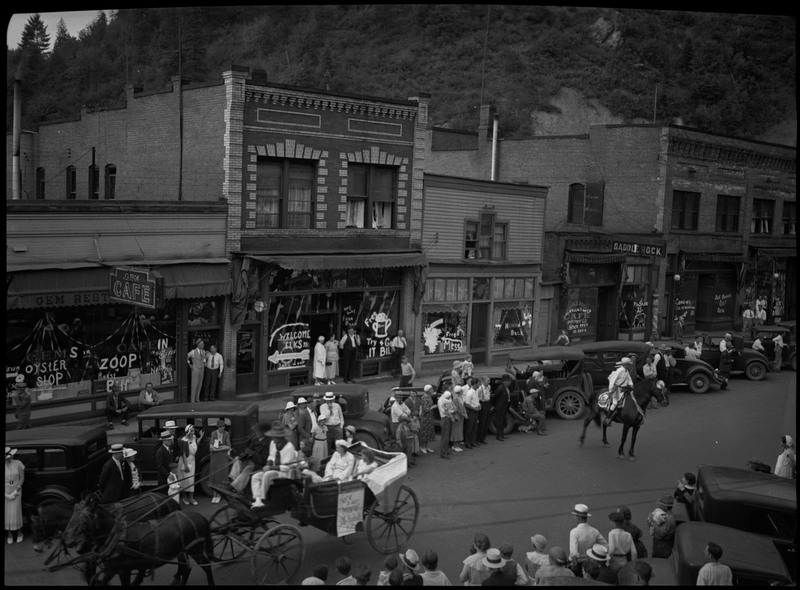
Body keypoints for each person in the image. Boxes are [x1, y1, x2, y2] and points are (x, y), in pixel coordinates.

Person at [251, 421, 298, 508]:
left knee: (267, 475)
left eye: (274, 437)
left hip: (285, 474)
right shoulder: (273, 444)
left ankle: (263, 499)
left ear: (280, 437)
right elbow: (271, 456)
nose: (272, 439)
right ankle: (257, 500)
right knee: (256, 476)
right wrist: (268, 464)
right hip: (273, 470)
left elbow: (286, 468)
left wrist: (270, 467)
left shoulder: (289, 447)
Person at [231, 421, 272, 492]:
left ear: (264, 432)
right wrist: (241, 456)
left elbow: (263, 460)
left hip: (261, 465)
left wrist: (253, 453)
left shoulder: (268, 443)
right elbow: (248, 450)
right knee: (238, 461)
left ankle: (236, 488)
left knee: (248, 468)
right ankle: (233, 481)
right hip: (251, 461)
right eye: (256, 431)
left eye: (258, 431)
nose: (256, 433)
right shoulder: (255, 440)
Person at [568, 503, 607, 577]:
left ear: (578, 517)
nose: (574, 518)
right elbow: (605, 545)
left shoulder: (574, 532)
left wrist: (574, 566)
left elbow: (573, 553)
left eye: (575, 516)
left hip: (577, 565)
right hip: (590, 564)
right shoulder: (594, 531)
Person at [604, 357, 634, 426]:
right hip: (616, 389)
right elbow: (612, 380)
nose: (630, 366)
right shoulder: (619, 370)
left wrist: (631, 385)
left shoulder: (626, 371)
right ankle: (608, 418)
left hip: (624, 389)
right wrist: (611, 390)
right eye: (629, 364)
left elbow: (629, 379)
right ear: (625, 364)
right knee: (615, 403)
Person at [5, 447, 25, 544]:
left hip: (16, 490)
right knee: (6, 512)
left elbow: (22, 478)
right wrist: (6, 495)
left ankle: (20, 533)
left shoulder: (18, 463)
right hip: (5, 491)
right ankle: (9, 534)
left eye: (9, 456)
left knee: (15, 512)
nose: (8, 458)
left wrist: (16, 490)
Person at [209, 417, 231, 503]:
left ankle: (220, 495)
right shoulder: (213, 433)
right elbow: (211, 448)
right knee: (215, 475)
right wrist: (222, 447)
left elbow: (229, 446)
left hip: (223, 457)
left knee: (222, 475)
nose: (222, 428)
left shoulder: (226, 434)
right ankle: (214, 495)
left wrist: (218, 448)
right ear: (218, 427)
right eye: (220, 427)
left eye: (223, 426)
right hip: (215, 457)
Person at [179, 423, 203, 505]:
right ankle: (185, 498)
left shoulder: (194, 437)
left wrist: (201, 436)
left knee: (191, 480)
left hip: (193, 460)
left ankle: (191, 498)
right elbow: (183, 454)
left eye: (193, 431)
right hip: (185, 461)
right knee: (184, 480)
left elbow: (196, 443)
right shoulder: (184, 440)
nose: (193, 432)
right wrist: (185, 466)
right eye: (191, 431)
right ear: (188, 431)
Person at [647, 494, 677, 558]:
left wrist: (653, 520)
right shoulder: (664, 514)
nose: (659, 506)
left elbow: (661, 533)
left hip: (663, 546)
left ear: (665, 507)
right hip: (660, 543)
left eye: (660, 505)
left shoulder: (669, 520)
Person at [493, 374, 513, 441]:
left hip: (505, 407)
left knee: (503, 421)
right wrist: (498, 405)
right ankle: (499, 436)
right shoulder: (500, 388)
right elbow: (496, 397)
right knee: (499, 422)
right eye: (508, 381)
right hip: (500, 408)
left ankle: (502, 434)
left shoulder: (506, 387)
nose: (510, 382)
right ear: (504, 381)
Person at [418, 384, 436, 454]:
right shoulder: (424, 398)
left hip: (429, 417)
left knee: (428, 432)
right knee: (424, 432)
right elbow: (426, 409)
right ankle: (422, 447)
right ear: (428, 391)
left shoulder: (429, 397)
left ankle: (427, 446)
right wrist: (433, 407)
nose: (432, 390)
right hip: (425, 418)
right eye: (431, 389)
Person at [463, 377, 481, 447]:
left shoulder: (476, 391)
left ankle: (473, 441)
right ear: (475, 384)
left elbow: (476, 401)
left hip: (476, 410)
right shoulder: (469, 393)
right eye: (479, 383)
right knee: (469, 428)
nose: (479, 385)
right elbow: (467, 404)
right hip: (471, 411)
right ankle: (468, 443)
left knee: (474, 427)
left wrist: (479, 406)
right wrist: (474, 408)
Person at [437, 390, 455, 460]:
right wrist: (452, 413)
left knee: (448, 436)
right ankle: (443, 453)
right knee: (445, 437)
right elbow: (444, 411)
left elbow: (451, 406)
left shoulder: (447, 397)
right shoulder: (441, 400)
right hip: (445, 418)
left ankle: (446, 450)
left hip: (449, 418)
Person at [187, 338, 206, 403]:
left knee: (200, 384)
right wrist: (190, 364)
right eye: (202, 344)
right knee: (194, 384)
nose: (203, 345)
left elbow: (203, 359)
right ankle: (192, 400)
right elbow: (186, 356)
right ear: (198, 344)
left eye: (203, 344)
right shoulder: (193, 352)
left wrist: (204, 363)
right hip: (195, 368)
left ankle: (197, 398)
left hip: (202, 369)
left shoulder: (203, 351)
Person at [476, 376, 492, 445]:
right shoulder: (480, 389)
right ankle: (478, 439)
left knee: (486, 422)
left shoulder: (489, 387)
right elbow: (477, 398)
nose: (489, 382)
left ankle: (483, 438)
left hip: (487, 403)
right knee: (481, 423)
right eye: (488, 380)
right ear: (483, 381)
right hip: (482, 403)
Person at [450, 385, 467, 452]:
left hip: (461, 416)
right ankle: (454, 445)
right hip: (457, 416)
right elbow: (456, 409)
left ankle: (457, 445)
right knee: (456, 431)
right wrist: (463, 414)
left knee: (459, 430)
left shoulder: (460, 397)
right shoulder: (455, 398)